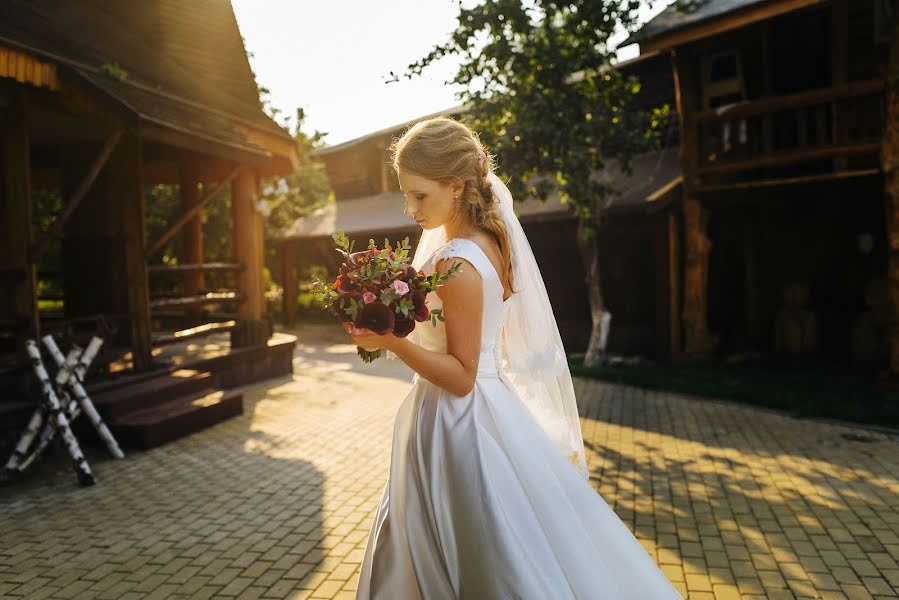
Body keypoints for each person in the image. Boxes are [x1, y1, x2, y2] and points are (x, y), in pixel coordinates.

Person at [345, 116, 683, 599]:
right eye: (406, 195)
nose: (410, 208)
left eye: (420, 195)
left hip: (457, 422)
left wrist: (390, 339)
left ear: (457, 185)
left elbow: (461, 377)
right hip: (483, 408)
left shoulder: (456, 263)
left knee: (474, 549)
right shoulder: (486, 243)